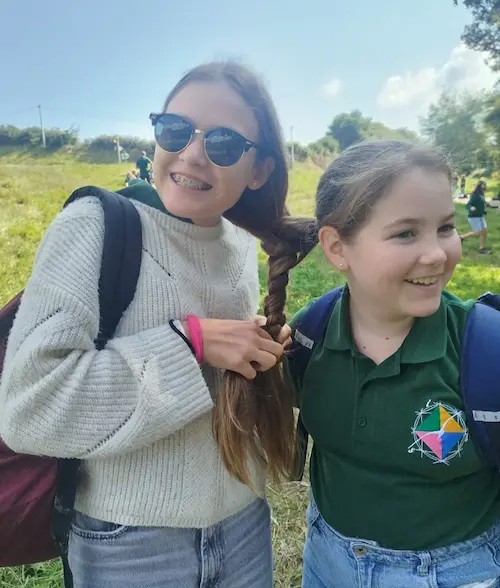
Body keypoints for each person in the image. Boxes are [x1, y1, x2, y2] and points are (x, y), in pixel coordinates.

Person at [0, 61, 305, 588]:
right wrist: (193, 344)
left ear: (258, 170)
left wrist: (249, 347)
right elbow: (30, 408)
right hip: (127, 544)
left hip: (245, 526)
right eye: (175, 129)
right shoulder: (93, 228)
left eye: (225, 143)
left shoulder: (237, 246)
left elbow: (219, 383)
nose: (191, 154)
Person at [285, 141, 500, 588]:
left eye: (445, 227)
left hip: (455, 571)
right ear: (337, 247)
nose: (438, 254)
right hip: (327, 560)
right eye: (406, 233)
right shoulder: (310, 333)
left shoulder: (485, 349)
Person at [460, 180, 490, 254]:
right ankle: (461, 237)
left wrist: (484, 209)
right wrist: (471, 207)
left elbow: (481, 203)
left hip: (480, 216)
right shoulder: (474, 195)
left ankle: (481, 248)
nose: (485, 186)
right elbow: (468, 204)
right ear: (479, 186)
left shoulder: (481, 194)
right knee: (477, 232)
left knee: (484, 231)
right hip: (474, 217)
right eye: (483, 185)